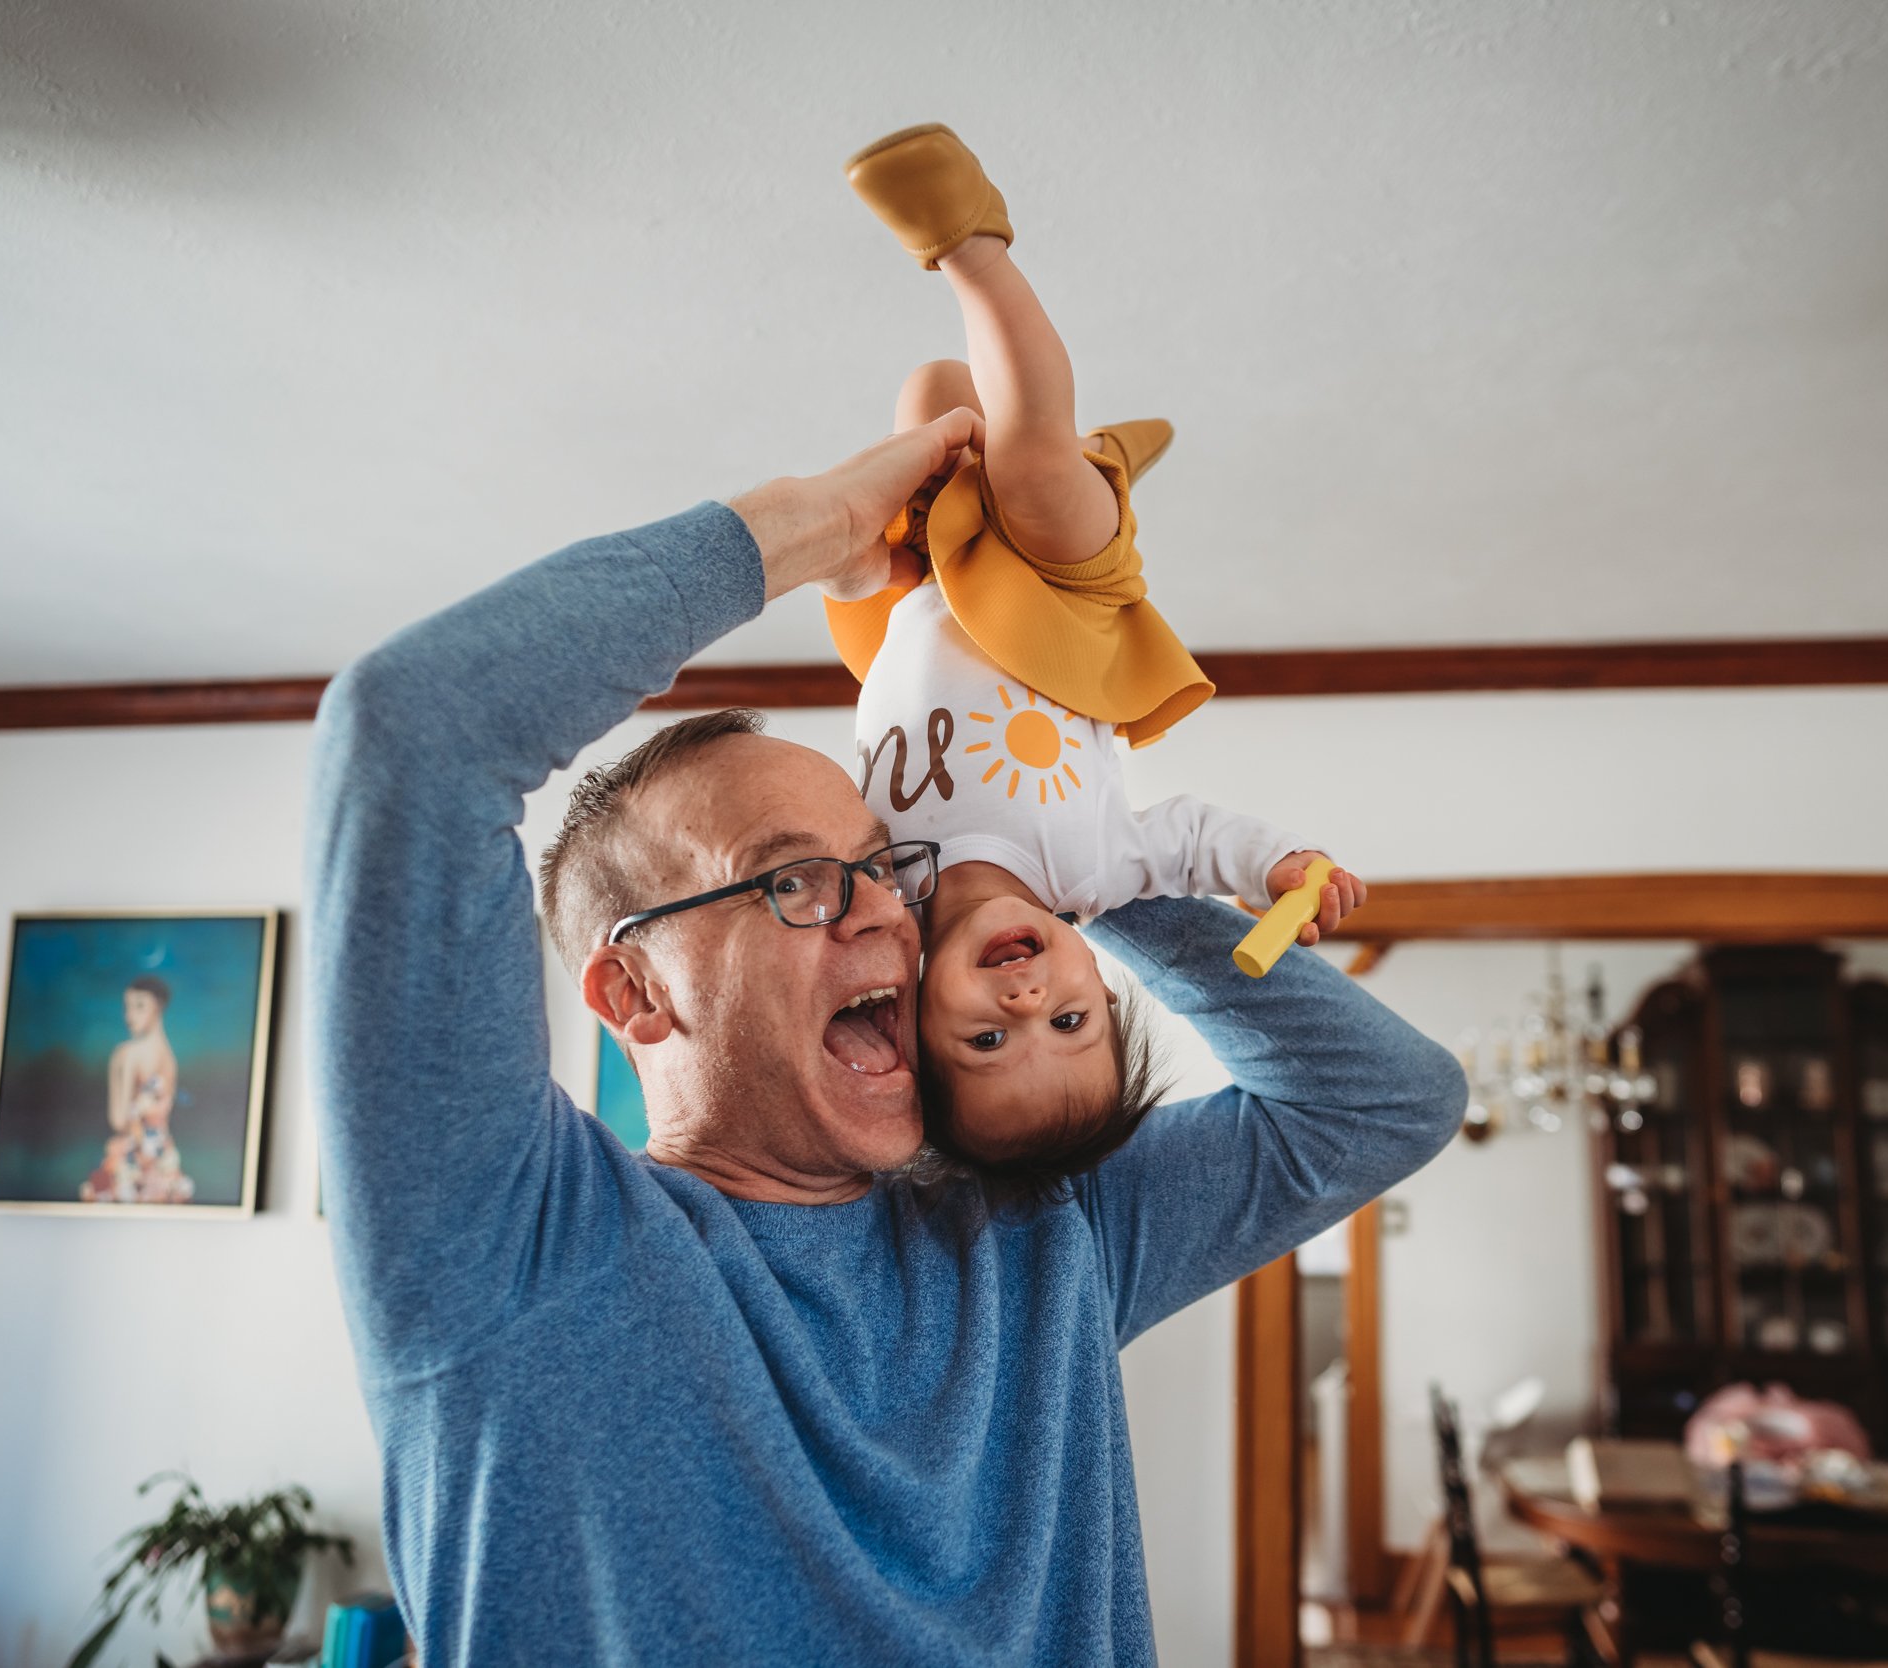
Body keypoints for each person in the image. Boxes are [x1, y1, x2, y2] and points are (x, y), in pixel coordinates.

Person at [307, 245, 1463, 1668]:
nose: (879, 917)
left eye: (885, 870)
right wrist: (817, 521)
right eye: (795, 882)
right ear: (632, 988)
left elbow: (1388, 1102)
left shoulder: (1050, 1238)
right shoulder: (501, 1247)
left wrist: (1067, 868)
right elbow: (407, 731)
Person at [831, 124, 1366, 1183]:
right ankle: (967, 239)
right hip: (1068, 603)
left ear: (911, 1019)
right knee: (1029, 461)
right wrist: (1281, 866)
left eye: (986, 1042)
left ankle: (1100, 457)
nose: (1029, 1005)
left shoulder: (873, 893)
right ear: (1103, 981)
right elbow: (1194, 837)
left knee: (934, 398)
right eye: (1074, 1021)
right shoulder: (1096, 873)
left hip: (933, 585)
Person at [84, 974, 182, 1204]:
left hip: (132, 1159)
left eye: (139, 1006)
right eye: (127, 1007)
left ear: (157, 1006)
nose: (129, 1016)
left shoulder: (127, 1053)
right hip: (163, 1157)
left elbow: (119, 1120)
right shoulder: (170, 1058)